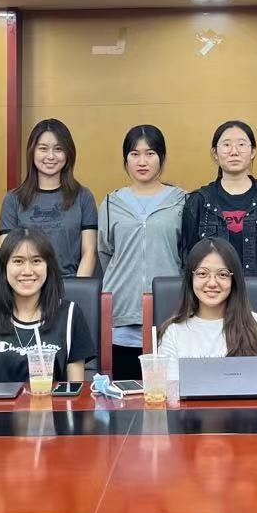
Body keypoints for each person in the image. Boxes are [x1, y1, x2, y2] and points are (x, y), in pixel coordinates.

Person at [98, 125, 185, 380]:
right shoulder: (111, 203)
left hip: (169, 311)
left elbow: (187, 253)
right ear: (125, 159)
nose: (142, 161)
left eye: (150, 153)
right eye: (134, 154)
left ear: (162, 157)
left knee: (167, 393)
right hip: (121, 314)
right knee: (125, 393)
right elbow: (105, 252)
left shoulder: (182, 201)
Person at [0, 228, 95, 384]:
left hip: (53, 401)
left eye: (36, 261)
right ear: (4, 267)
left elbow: (76, 391)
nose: (27, 271)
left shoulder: (70, 316)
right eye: (18, 261)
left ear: (48, 266)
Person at [178, 120, 257, 275]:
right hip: (213, 289)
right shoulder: (199, 201)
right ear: (215, 153)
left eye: (241, 144)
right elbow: (189, 259)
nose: (234, 151)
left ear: (253, 152)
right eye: (226, 145)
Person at [0, 118, 98, 278]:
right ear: (32, 152)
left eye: (58, 149)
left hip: (70, 283)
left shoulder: (83, 197)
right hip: (26, 283)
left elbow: (89, 252)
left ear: (68, 153)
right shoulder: (13, 199)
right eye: (43, 149)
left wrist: (78, 288)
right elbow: (8, 255)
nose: (50, 156)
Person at [157, 237, 257, 359]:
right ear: (190, 278)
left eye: (222, 274)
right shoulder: (173, 331)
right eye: (202, 273)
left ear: (234, 280)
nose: (212, 283)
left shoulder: (256, 325)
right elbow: (168, 372)